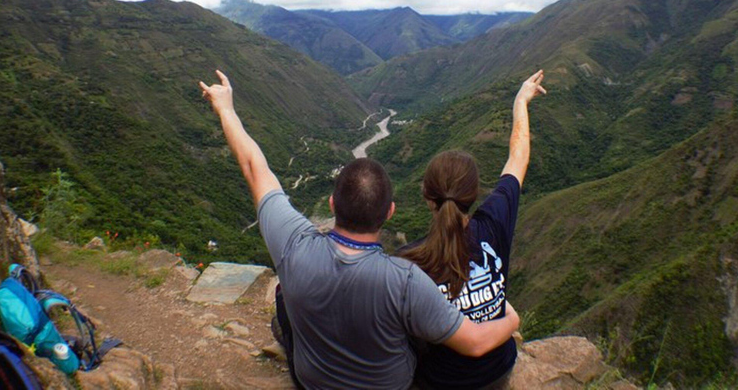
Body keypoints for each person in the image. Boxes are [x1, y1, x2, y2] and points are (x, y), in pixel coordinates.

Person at [199, 70, 521, 390]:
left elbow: (255, 168)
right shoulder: (405, 280)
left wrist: (225, 108)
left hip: (312, 381)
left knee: (284, 299)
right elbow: (475, 341)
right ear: (390, 212)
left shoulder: (294, 246)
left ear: (332, 204)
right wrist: (513, 320)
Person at [398, 69, 546, 390]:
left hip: (440, 381)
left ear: (426, 197)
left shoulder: (408, 262)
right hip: (497, 372)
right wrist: (520, 101)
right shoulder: (493, 223)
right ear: (475, 195)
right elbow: (518, 157)